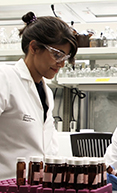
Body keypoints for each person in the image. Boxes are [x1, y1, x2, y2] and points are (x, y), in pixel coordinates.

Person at [0, 11, 77, 180]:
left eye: (66, 57)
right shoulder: (4, 78)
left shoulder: (46, 92)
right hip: (5, 188)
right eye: (57, 54)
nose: (62, 63)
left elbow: (48, 147)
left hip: (36, 189)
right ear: (34, 47)